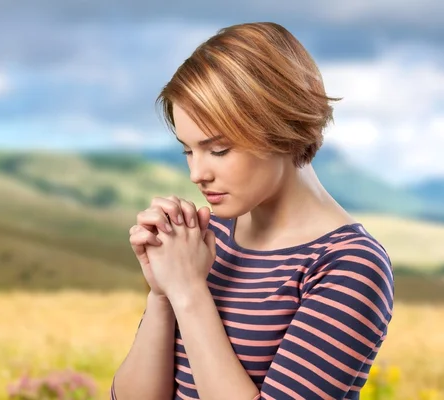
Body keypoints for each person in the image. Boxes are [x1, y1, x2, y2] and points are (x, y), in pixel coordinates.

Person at [110, 21, 394, 400]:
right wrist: (162, 294)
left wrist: (190, 292)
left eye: (219, 150)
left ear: (280, 126)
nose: (197, 174)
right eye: (188, 150)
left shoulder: (349, 265)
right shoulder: (206, 238)